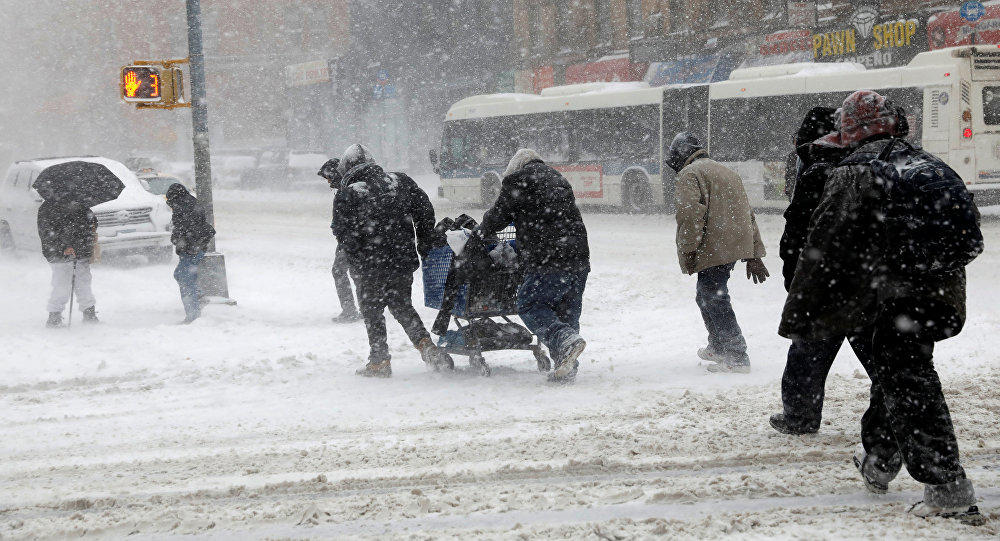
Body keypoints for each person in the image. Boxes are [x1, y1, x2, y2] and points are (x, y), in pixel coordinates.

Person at [778, 90, 983, 523]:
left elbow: (823, 245)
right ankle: (881, 458)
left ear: (849, 132)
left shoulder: (856, 170)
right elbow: (970, 241)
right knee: (895, 371)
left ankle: (948, 491)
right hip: (939, 301)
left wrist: (803, 310)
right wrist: (924, 268)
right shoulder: (929, 164)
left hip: (889, 298)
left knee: (910, 384)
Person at [770, 106, 851, 435]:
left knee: (807, 351)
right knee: (882, 356)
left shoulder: (815, 166)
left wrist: (794, 275)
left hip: (820, 279)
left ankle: (800, 417)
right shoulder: (865, 162)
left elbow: (797, 225)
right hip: (864, 276)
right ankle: (896, 413)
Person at [332, 144, 447, 377]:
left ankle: (379, 361)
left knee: (372, 312)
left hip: (369, 265)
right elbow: (425, 210)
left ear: (348, 169)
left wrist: (356, 257)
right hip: (402, 261)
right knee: (402, 305)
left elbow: (342, 233)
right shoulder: (400, 182)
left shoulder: (348, 194)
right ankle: (427, 347)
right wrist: (422, 240)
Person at [479, 149, 590, 383]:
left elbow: (497, 217)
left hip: (548, 258)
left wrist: (481, 230)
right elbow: (548, 217)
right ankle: (566, 366)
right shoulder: (558, 178)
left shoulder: (517, 180)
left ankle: (565, 341)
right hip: (578, 258)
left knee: (529, 304)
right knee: (566, 311)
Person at [668, 132, 769, 374]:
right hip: (731, 245)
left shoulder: (689, 174)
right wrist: (753, 253)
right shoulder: (727, 172)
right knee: (706, 295)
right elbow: (747, 213)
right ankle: (719, 346)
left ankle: (735, 354)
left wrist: (689, 250)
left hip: (711, 246)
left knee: (713, 297)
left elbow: (689, 217)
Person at [38, 200, 99, 327]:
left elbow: (92, 223)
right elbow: (46, 233)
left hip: (81, 251)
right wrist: (63, 247)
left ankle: (89, 313)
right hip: (59, 254)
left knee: (83, 282)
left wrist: (90, 226)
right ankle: (54, 316)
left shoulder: (81, 204)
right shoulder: (48, 208)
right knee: (61, 284)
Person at [166, 183, 216, 324]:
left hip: (191, 249)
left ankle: (193, 315)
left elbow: (184, 229)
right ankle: (199, 296)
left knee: (185, 280)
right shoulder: (190, 203)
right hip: (196, 248)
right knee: (182, 275)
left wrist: (177, 239)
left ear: (174, 198)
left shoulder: (182, 207)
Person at [318, 158, 361, 323]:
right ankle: (366, 308)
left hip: (350, 241)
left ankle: (350, 310)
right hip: (354, 239)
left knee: (339, 271)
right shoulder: (352, 188)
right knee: (357, 273)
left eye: (329, 178)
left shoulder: (346, 191)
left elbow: (342, 221)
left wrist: (341, 234)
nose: (328, 182)